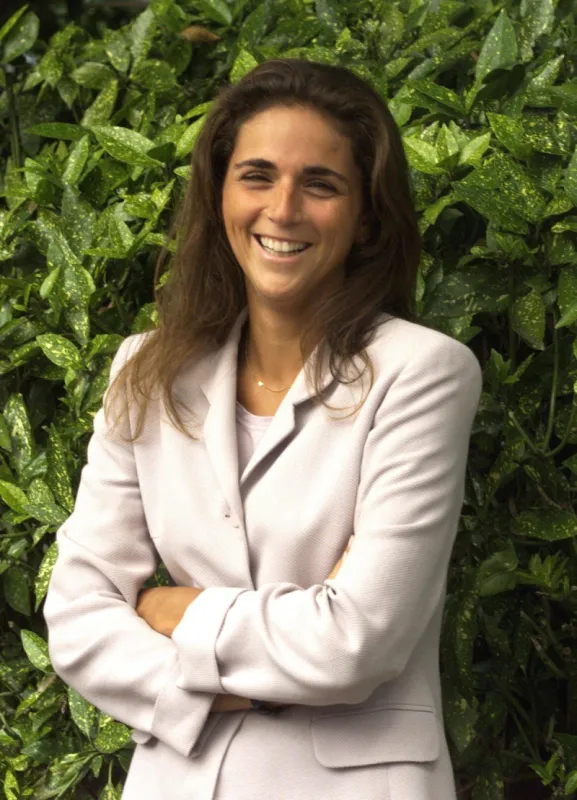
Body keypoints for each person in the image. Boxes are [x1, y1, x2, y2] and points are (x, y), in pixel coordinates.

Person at [44, 58, 482, 800]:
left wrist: (173, 610)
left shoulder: (422, 374)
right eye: (255, 175)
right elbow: (79, 624)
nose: (282, 209)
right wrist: (261, 672)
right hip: (178, 781)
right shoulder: (145, 371)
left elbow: (356, 641)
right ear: (219, 194)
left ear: (367, 214)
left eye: (320, 184)